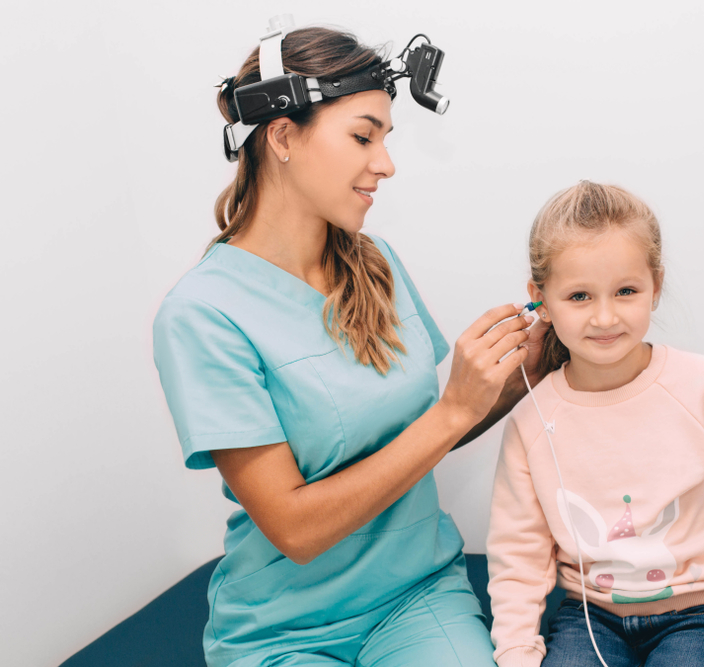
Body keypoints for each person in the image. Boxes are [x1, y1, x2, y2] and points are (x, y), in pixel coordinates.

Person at [153, 26, 547, 667]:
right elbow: (296, 529)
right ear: (281, 136)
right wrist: (452, 410)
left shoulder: (377, 264)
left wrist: (532, 362)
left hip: (415, 599)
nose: (385, 163)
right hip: (284, 629)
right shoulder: (202, 315)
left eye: (385, 140)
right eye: (363, 136)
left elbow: (423, 432)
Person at [485, 182, 704, 667]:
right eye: (579, 296)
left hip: (703, 612)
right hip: (590, 617)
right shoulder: (531, 419)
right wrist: (517, 650)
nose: (605, 317)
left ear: (656, 286)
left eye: (626, 291)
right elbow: (519, 552)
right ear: (539, 299)